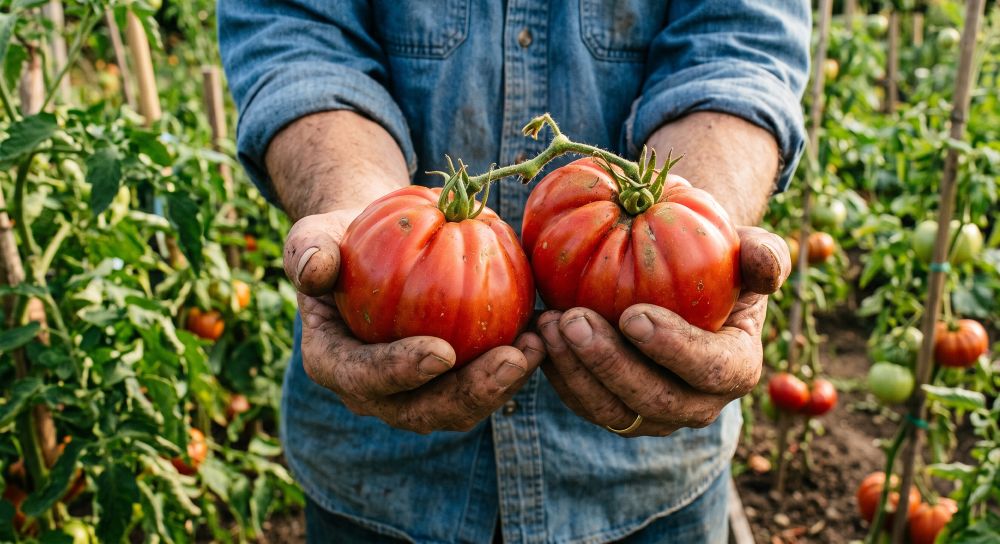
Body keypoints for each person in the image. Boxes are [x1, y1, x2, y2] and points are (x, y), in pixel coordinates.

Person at [219, 1, 809, 542]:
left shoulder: (607, 213)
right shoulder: (468, 228)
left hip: (646, 485)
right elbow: (296, 33)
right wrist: (359, 216)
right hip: (377, 475)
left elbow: (740, 41)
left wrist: (706, 225)